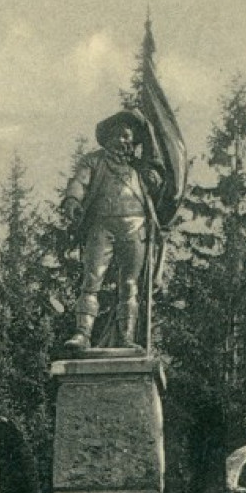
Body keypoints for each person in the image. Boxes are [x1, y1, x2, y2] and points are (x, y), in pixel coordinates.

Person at [59, 109, 163, 352]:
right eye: (118, 135)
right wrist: (72, 200)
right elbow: (79, 181)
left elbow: (158, 184)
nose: (123, 140)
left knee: (129, 285)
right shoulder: (94, 161)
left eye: (128, 136)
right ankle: (82, 333)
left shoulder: (140, 169)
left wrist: (155, 176)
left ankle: (126, 337)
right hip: (102, 225)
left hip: (135, 227)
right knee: (91, 279)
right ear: (108, 138)